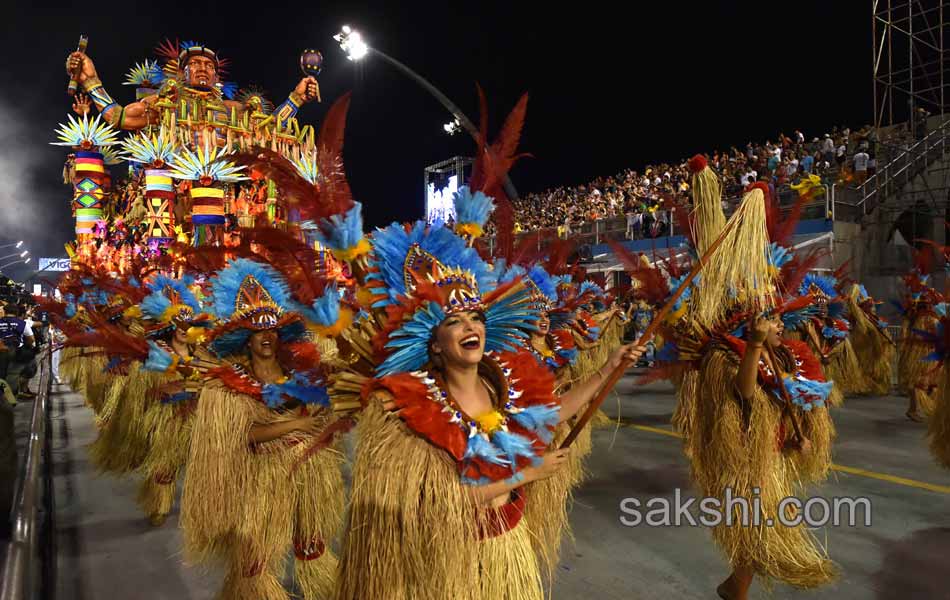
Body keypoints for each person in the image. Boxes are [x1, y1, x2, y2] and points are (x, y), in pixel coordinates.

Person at [332, 190, 645, 599]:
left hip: (506, 552)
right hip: (449, 564)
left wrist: (608, 369)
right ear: (435, 344)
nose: (471, 327)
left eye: (476, 317)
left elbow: (551, 413)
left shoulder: (503, 382)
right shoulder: (405, 406)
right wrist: (528, 474)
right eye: (455, 322)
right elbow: (436, 507)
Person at [182, 259, 346, 600]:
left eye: (272, 332)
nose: (267, 338)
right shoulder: (229, 383)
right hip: (264, 475)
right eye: (259, 333)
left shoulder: (300, 370)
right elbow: (244, 434)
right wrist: (298, 423)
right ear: (247, 339)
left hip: (310, 470)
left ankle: (319, 584)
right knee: (257, 549)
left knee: (311, 540)